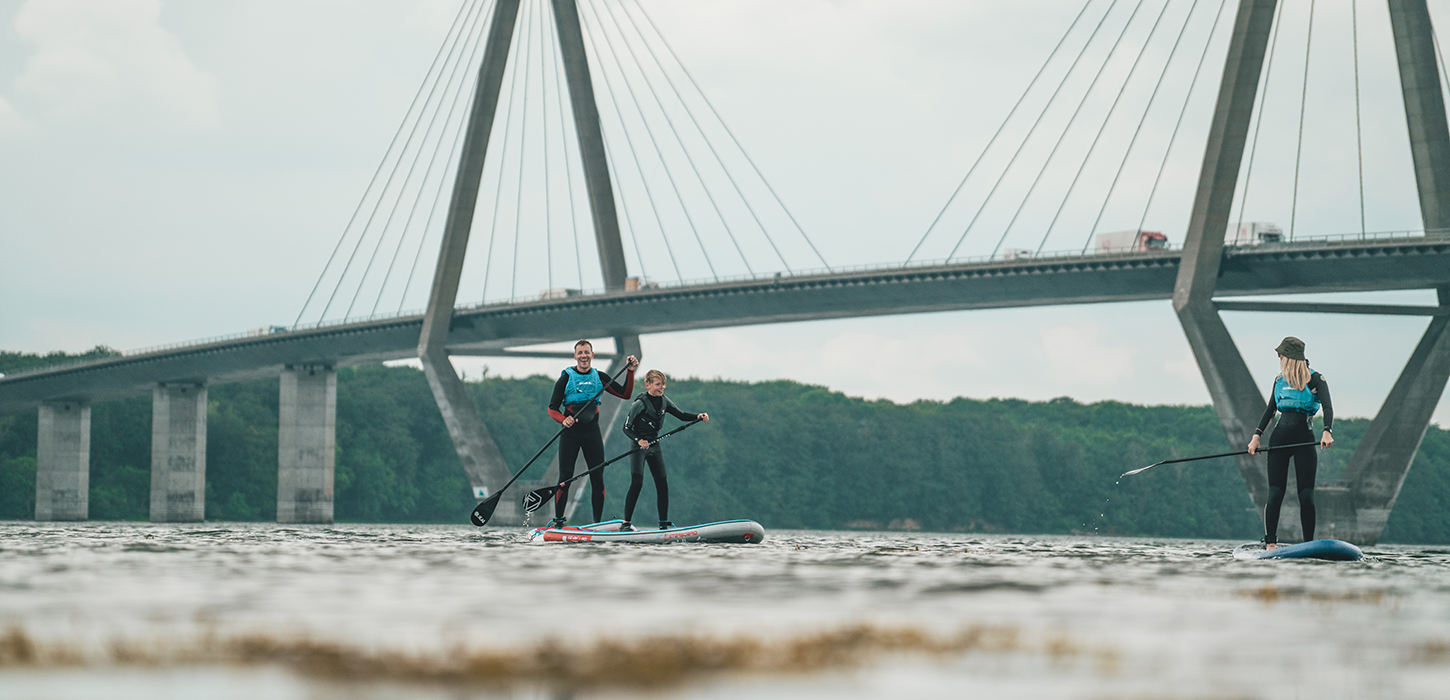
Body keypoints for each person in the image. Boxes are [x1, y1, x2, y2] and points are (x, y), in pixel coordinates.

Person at [1247, 336, 1334, 547]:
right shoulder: (1279, 380)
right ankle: (1270, 543)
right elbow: (1270, 410)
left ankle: (1308, 545)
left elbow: (1328, 407)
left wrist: (1327, 431)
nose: (1278, 357)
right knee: (1276, 492)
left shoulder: (1316, 380)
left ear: (1289, 357)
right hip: (1280, 439)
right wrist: (1256, 437)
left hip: (1305, 439)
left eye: (1281, 354)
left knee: (1306, 496)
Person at [546, 340, 637, 528]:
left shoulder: (600, 377)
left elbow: (625, 394)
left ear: (592, 355)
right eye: (580, 353)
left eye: (587, 352)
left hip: (592, 434)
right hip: (570, 434)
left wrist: (630, 371)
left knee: (597, 478)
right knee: (565, 478)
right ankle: (558, 523)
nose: (583, 356)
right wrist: (563, 419)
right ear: (575, 356)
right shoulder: (566, 378)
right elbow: (552, 408)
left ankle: (597, 524)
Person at [620, 370, 708, 531]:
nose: (662, 388)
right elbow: (626, 428)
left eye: (663, 384)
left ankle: (663, 523)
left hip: (655, 445)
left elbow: (681, 415)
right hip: (639, 446)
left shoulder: (664, 401)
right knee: (637, 482)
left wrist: (698, 416)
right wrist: (639, 440)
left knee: (662, 484)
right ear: (648, 385)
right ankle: (625, 523)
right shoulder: (639, 403)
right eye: (658, 384)